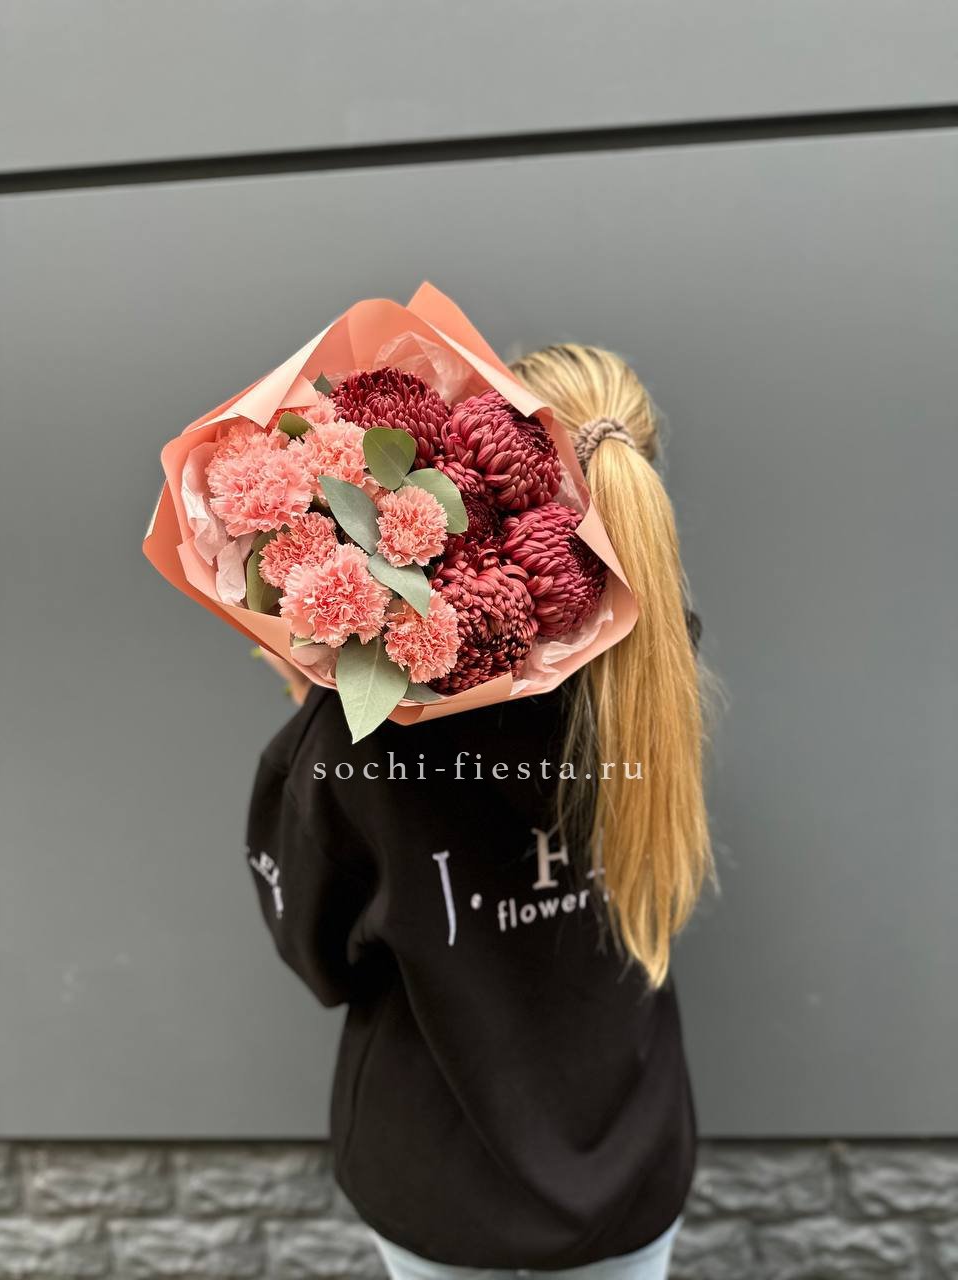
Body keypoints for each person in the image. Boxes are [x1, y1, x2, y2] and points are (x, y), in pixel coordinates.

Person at [248, 344, 716, 1278]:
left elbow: (320, 955)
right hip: (629, 1164)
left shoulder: (362, 727)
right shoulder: (662, 667)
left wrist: (317, 703)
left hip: (436, 1177)